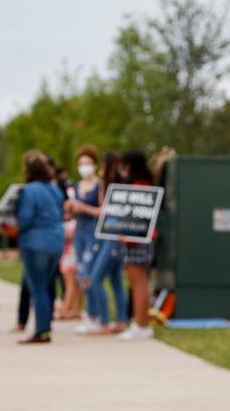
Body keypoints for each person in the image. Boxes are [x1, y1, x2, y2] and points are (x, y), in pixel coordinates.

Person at [14, 150, 66, 344]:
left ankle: (41, 330)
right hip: (56, 242)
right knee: (48, 286)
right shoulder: (54, 188)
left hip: (36, 243)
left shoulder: (30, 190)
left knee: (38, 288)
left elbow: (26, 218)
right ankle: (46, 326)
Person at [74, 150, 128, 333]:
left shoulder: (105, 186)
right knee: (112, 280)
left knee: (94, 278)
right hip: (94, 235)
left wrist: (83, 207)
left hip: (106, 237)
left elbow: (103, 210)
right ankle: (115, 320)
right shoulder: (84, 186)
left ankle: (103, 320)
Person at [116, 149, 156, 340]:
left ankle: (142, 324)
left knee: (139, 282)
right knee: (135, 282)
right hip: (134, 240)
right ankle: (139, 322)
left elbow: (139, 218)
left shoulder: (140, 185)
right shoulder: (140, 183)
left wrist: (127, 235)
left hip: (137, 241)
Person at [68, 145, 108, 335]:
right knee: (81, 273)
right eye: (81, 164)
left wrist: (83, 207)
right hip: (80, 231)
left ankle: (98, 315)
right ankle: (91, 314)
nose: (84, 167)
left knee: (91, 274)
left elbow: (102, 211)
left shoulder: (100, 185)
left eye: (88, 163)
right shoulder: (76, 187)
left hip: (94, 230)